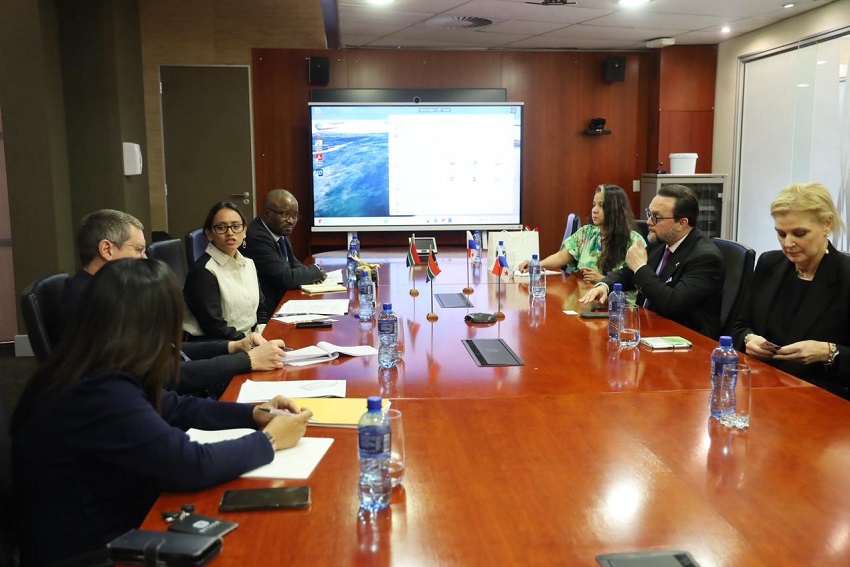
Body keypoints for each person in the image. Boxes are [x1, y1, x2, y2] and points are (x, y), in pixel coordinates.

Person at [11, 259, 313, 565]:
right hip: (97, 550)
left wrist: (253, 415)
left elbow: (176, 407)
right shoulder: (99, 391)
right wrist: (270, 441)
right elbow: (189, 464)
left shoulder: (92, 362)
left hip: (118, 520)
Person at [61, 209, 285, 398]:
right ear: (107, 250)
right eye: (139, 250)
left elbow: (167, 351)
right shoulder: (95, 304)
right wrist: (244, 361)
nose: (145, 260)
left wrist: (233, 347)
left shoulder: (104, 291)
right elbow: (163, 374)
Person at [732, 182, 850, 398]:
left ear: (826, 224)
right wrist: (749, 340)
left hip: (821, 396)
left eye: (799, 233)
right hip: (763, 387)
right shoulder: (770, 263)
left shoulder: (845, 275)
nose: (788, 243)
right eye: (781, 234)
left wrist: (828, 352)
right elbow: (740, 325)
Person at [579, 184, 724, 339]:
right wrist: (604, 285)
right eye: (649, 213)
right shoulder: (660, 241)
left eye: (657, 217)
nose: (648, 221)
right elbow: (629, 272)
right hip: (647, 327)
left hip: (683, 339)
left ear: (682, 223)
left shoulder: (705, 258)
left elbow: (672, 304)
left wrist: (641, 267)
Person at [518, 184, 645, 285]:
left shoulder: (633, 241)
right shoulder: (586, 233)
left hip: (617, 305)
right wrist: (537, 264)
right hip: (587, 298)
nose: (594, 210)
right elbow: (561, 257)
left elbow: (636, 279)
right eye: (594, 205)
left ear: (614, 209)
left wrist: (603, 280)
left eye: (601, 206)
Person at [184, 202, 268, 340]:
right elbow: (214, 327)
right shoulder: (203, 271)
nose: (230, 233)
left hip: (250, 340)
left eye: (236, 226)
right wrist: (250, 342)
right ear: (209, 233)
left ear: (245, 231)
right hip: (218, 346)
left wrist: (263, 335)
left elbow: (261, 309)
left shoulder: (249, 264)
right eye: (221, 227)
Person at [243, 189, 326, 315]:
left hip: (282, 300)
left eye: (294, 216)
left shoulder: (280, 230)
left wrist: (309, 275)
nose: (291, 221)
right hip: (266, 310)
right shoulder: (256, 237)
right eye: (285, 215)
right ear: (266, 214)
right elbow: (285, 278)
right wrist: (316, 270)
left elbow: (293, 263)